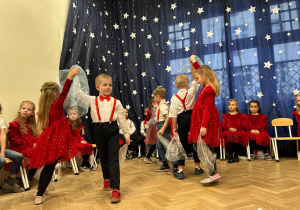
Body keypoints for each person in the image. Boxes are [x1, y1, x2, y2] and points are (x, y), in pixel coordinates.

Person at [74, 73, 130, 203]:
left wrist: (126, 134)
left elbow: (122, 119)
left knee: (113, 159)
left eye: (110, 85)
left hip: (112, 129)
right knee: (103, 157)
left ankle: (116, 188)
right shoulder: (92, 100)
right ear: (97, 87)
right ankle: (107, 179)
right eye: (105, 85)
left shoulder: (116, 102)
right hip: (98, 130)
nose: (108, 87)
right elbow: (78, 94)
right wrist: (76, 78)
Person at [29, 67, 80, 205]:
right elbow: (65, 91)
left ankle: (41, 190)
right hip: (57, 142)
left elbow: (45, 127)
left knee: (48, 166)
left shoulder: (45, 108)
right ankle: (39, 195)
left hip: (49, 141)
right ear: (56, 93)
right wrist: (70, 76)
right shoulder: (57, 105)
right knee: (49, 167)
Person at [188, 56, 222, 184]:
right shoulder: (206, 85)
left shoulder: (208, 90)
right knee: (202, 145)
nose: (197, 80)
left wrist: (203, 126)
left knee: (201, 144)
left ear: (204, 77)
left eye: (198, 78)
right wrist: (193, 62)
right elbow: (201, 71)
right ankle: (213, 172)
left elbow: (207, 109)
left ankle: (213, 173)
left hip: (205, 121)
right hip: (202, 120)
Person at [0, 103, 24, 193]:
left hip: (0, 150)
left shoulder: (0, 120)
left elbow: (2, 135)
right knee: (1, 161)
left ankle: (10, 183)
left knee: (18, 156)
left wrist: (2, 153)